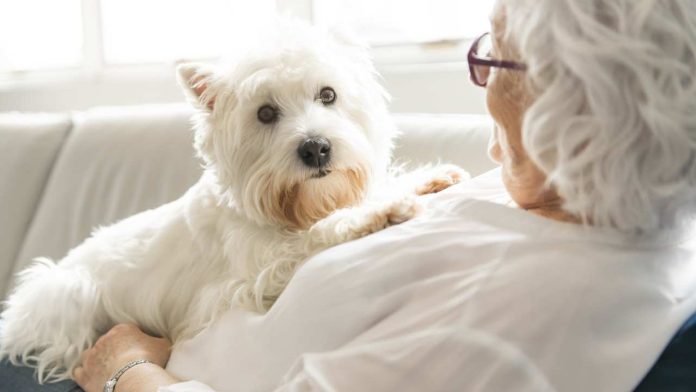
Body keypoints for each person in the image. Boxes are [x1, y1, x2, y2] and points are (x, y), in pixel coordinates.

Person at [3, 0, 696, 390]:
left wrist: (125, 367)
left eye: (492, 55)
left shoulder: (525, 317)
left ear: (570, 104)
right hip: (64, 336)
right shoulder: (559, 201)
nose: (479, 81)